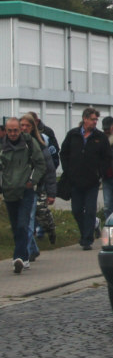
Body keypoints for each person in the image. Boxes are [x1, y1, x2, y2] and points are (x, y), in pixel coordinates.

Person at [60, 107, 111, 250]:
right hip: (75, 180)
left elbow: (107, 157)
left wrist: (99, 172)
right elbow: (63, 153)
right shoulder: (73, 135)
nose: (95, 122)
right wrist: (68, 170)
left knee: (89, 211)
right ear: (85, 119)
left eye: (96, 120)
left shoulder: (100, 137)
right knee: (76, 210)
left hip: (92, 182)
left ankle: (87, 239)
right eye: (93, 119)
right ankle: (87, 230)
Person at [2, 117, 47, 273]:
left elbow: (41, 164)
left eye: (16, 130)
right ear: (6, 131)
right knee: (16, 227)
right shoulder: (2, 146)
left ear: (20, 130)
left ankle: (18, 258)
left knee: (23, 224)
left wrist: (32, 181)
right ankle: (25, 257)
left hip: (26, 191)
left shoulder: (29, 143)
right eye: (10, 131)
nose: (13, 133)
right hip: (9, 191)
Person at [19, 114, 58, 249]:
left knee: (38, 215)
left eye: (27, 126)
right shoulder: (15, 143)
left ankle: (49, 229)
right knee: (25, 220)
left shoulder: (40, 144)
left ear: (32, 127)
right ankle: (31, 250)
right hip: (18, 187)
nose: (24, 128)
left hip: (36, 186)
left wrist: (52, 193)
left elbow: (49, 169)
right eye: (22, 125)